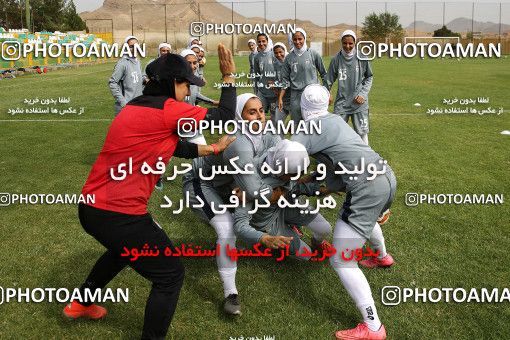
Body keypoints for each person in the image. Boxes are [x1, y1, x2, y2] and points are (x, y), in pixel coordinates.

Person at [63, 44, 238, 340]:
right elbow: (223, 116)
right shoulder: (169, 109)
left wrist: (209, 148)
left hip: (92, 207)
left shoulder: (138, 105)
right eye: (186, 85)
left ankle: (81, 303)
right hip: (119, 213)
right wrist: (229, 76)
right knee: (170, 275)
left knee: (124, 251)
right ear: (172, 83)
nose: (188, 92)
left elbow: (168, 143)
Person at [291, 84, 395, 340]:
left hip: (367, 187)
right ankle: (382, 256)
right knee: (362, 220)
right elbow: (336, 171)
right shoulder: (336, 119)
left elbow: (287, 156)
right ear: (326, 103)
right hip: (386, 175)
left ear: (303, 107)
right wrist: (312, 183)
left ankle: (373, 327)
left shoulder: (306, 128)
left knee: (341, 260)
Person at [180, 92, 284, 315]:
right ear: (239, 116)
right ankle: (231, 295)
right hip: (202, 184)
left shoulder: (268, 133)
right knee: (227, 228)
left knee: (249, 211)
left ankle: (279, 232)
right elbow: (255, 190)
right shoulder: (238, 143)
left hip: (227, 184)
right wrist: (276, 193)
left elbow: (281, 159)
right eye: (251, 112)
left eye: (261, 111)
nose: (259, 117)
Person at [232, 139, 333, 260]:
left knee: (325, 229)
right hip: (268, 222)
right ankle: (264, 243)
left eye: (302, 172)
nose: (299, 176)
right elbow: (239, 225)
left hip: (287, 205)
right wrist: (263, 238)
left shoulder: (281, 160)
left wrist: (322, 189)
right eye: (294, 174)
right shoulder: (250, 179)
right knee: (306, 254)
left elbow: (296, 185)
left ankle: (314, 241)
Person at [326, 30, 373, 145]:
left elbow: (369, 77)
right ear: (341, 43)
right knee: (337, 133)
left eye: (350, 43)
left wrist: (362, 94)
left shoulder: (362, 57)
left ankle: (366, 157)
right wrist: (328, 93)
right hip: (342, 103)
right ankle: (338, 158)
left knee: (362, 132)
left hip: (359, 103)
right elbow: (328, 80)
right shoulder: (336, 59)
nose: (348, 46)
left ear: (355, 42)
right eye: (345, 43)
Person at [278, 28, 327, 123]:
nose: (297, 42)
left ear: (304, 38)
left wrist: (327, 93)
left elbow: (324, 74)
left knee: (313, 123)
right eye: (295, 39)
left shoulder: (313, 54)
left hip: (312, 95)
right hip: (295, 96)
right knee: (297, 123)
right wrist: (280, 98)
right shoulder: (289, 58)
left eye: (300, 39)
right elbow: (285, 80)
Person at [108, 35, 144, 115]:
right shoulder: (122, 63)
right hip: (126, 108)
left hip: (138, 105)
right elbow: (112, 83)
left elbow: (138, 80)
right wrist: (123, 102)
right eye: (131, 46)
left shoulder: (138, 61)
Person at [253, 33, 278, 123]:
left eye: (263, 41)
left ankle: (274, 135)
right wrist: (256, 90)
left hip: (274, 93)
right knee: (257, 113)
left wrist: (276, 84)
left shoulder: (274, 54)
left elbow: (281, 72)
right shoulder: (256, 57)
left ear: (267, 41)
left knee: (274, 116)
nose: (261, 43)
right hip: (262, 92)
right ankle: (259, 135)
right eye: (259, 41)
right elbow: (256, 75)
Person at [273, 42, 291, 129]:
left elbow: (286, 81)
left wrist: (280, 97)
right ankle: (279, 141)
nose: (278, 55)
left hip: (293, 98)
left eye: (280, 52)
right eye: (276, 53)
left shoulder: (291, 62)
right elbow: (278, 78)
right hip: (282, 98)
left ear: (285, 51)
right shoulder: (276, 64)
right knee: (277, 122)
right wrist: (275, 86)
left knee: (297, 124)